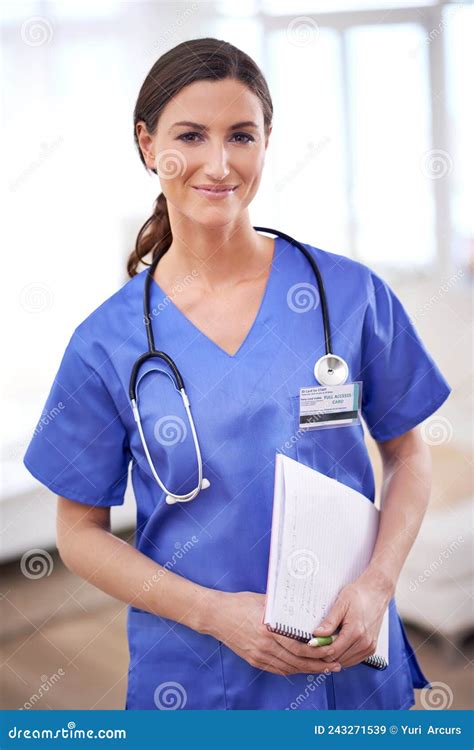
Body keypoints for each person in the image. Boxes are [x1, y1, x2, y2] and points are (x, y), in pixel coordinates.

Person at [23, 37, 451, 711]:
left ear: (267, 143)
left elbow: (408, 454)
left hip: (348, 654)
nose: (219, 164)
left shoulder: (350, 295)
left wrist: (378, 585)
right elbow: (78, 534)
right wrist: (212, 613)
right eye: (190, 136)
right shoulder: (105, 342)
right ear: (146, 145)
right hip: (195, 676)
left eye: (241, 136)